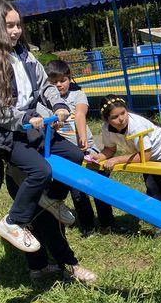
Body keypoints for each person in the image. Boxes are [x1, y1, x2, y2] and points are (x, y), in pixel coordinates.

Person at [0, 0, 84, 253]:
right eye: (9, 26)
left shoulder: (23, 54)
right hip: (4, 132)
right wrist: (26, 119)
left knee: (74, 155)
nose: (16, 31)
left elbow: (44, 85)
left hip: (31, 127)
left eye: (18, 25)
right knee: (40, 171)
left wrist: (59, 105)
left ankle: (52, 200)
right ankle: (12, 222)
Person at [92, 96, 161, 224]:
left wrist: (117, 160)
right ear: (106, 119)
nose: (121, 119)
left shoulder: (137, 126)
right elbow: (110, 149)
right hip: (143, 156)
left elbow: (145, 156)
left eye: (123, 113)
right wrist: (98, 156)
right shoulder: (106, 128)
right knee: (154, 190)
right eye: (114, 117)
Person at [41, 59, 114, 234]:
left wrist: (82, 138)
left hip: (87, 149)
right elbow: (47, 126)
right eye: (54, 82)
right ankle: (88, 226)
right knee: (78, 191)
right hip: (69, 155)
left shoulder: (77, 95)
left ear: (69, 78)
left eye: (63, 80)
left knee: (99, 184)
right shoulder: (45, 102)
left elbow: (80, 115)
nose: (59, 85)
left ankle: (107, 223)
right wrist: (53, 126)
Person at [6, 166, 97, 284]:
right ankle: (71, 266)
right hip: (32, 179)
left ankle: (38, 267)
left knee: (31, 222)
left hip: (18, 177)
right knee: (51, 222)